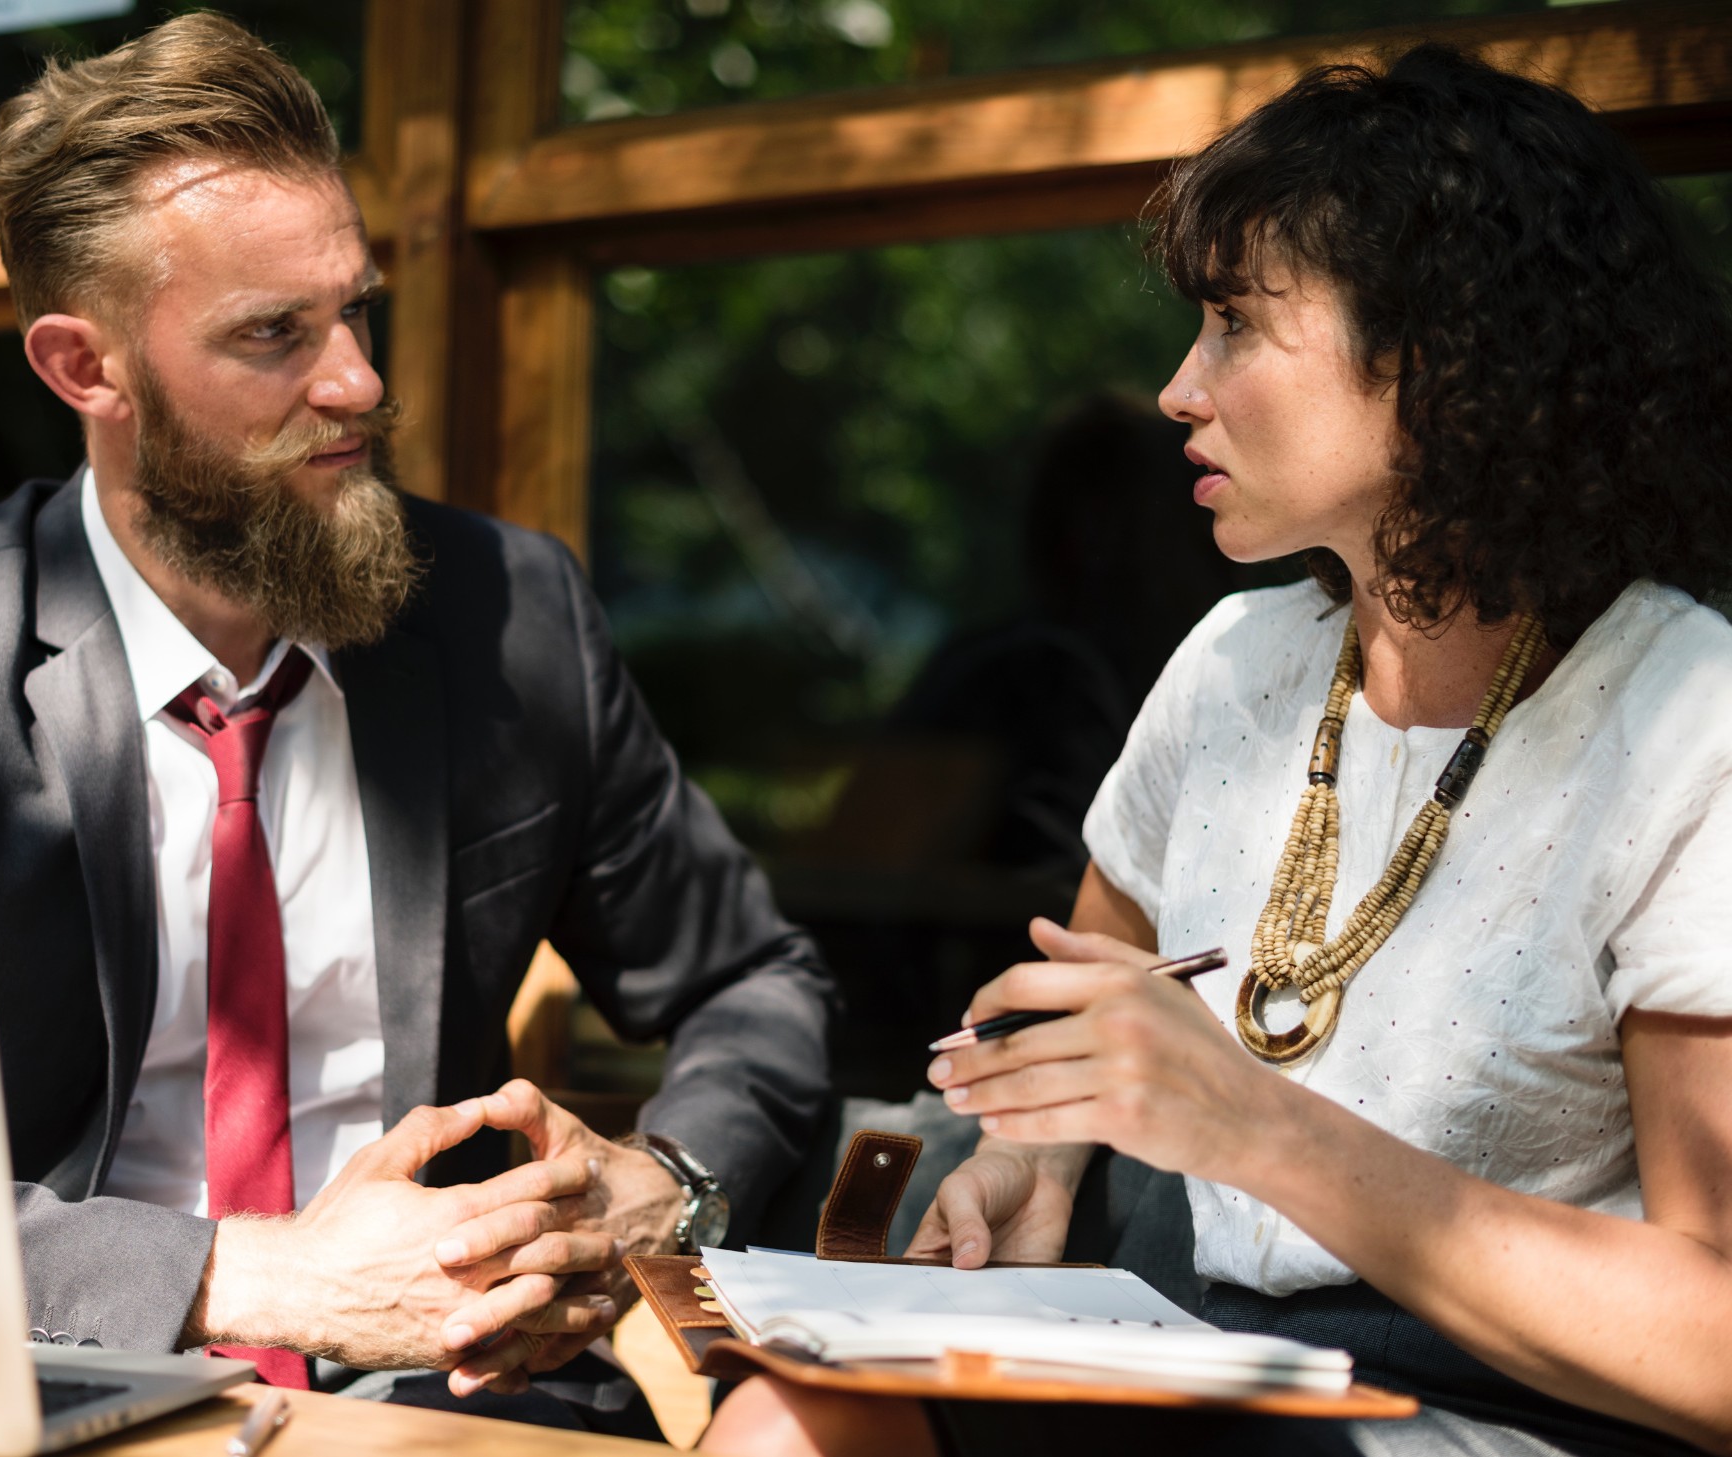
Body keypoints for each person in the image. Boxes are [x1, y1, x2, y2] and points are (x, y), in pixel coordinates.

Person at [700, 43, 1732, 1457]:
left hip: (1507, 1418)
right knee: (790, 1413)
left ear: (1447, 356)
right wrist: (1031, 1153)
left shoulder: (1688, 721)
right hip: (1203, 1364)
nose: (1180, 389)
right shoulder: (1238, 662)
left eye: (1238, 324)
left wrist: (1258, 1127)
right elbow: (1095, 984)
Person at [0, 14, 834, 1439]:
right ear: (85, 369)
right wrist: (261, 1275)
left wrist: (667, 1183)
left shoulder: (508, 615)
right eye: (273, 334)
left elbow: (755, 981)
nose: (355, 380)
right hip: (60, 1390)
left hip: (464, 1396)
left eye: (356, 311)